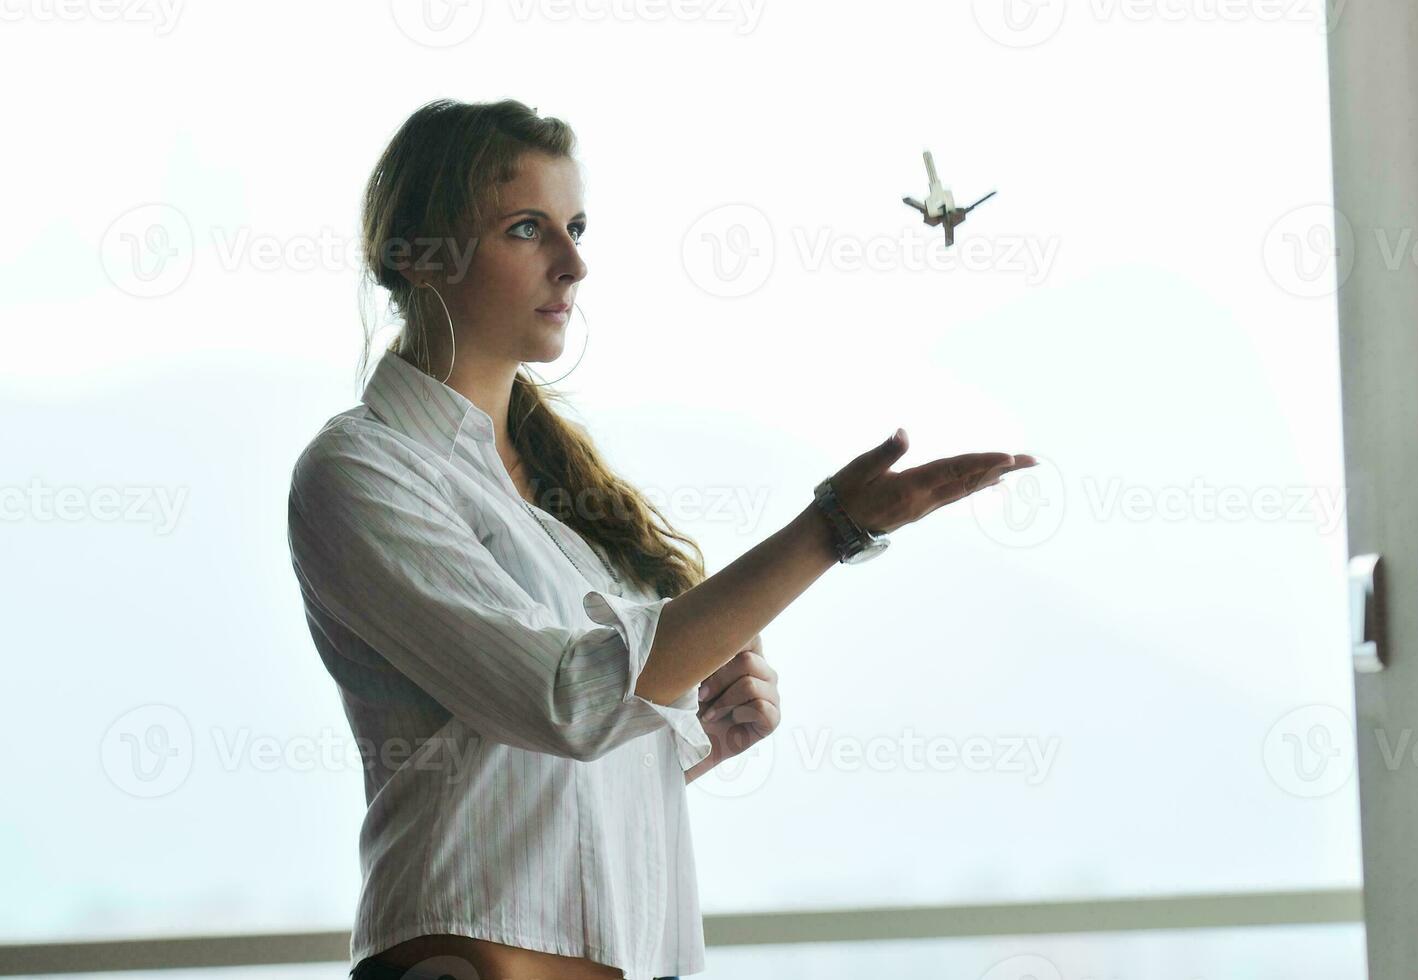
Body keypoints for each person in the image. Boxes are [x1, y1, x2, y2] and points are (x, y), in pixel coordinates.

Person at [286, 97, 1036, 980]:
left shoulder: (563, 498)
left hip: (631, 955)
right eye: (529, 229)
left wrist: (695, 736)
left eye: (576, 227)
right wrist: (834, 527)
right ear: (420, 256)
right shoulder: (362, 470)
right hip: (474, 962)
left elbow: (551, 757)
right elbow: (566, 701)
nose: (574, 263)